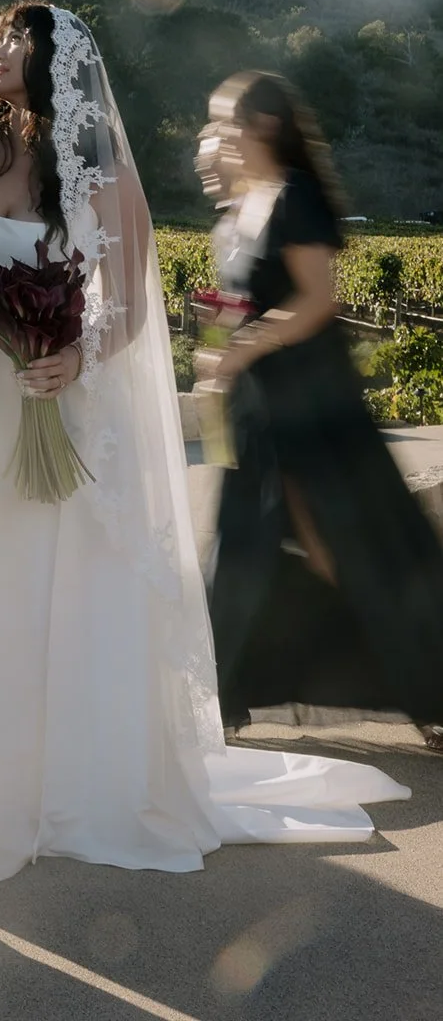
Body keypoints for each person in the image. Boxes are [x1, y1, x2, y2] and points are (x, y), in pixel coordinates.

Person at [0, 5, 409, 888]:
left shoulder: (102, 180)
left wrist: (69, 352)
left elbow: (129, 309)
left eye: (14, 41)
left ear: (58, 63)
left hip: (53, 401)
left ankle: (62, 786)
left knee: (51, 584)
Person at [201, 71, 443, 745]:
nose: (217, 135)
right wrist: (223, 353)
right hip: (263, 418)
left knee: (369, 559)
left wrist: (244, 346)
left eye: (225, 122)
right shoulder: (246, 206)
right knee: (249, 555)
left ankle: (431, 691)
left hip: (317, 417)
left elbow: (317, 299)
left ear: (263, 126)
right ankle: (220, 701)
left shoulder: (294, 197)